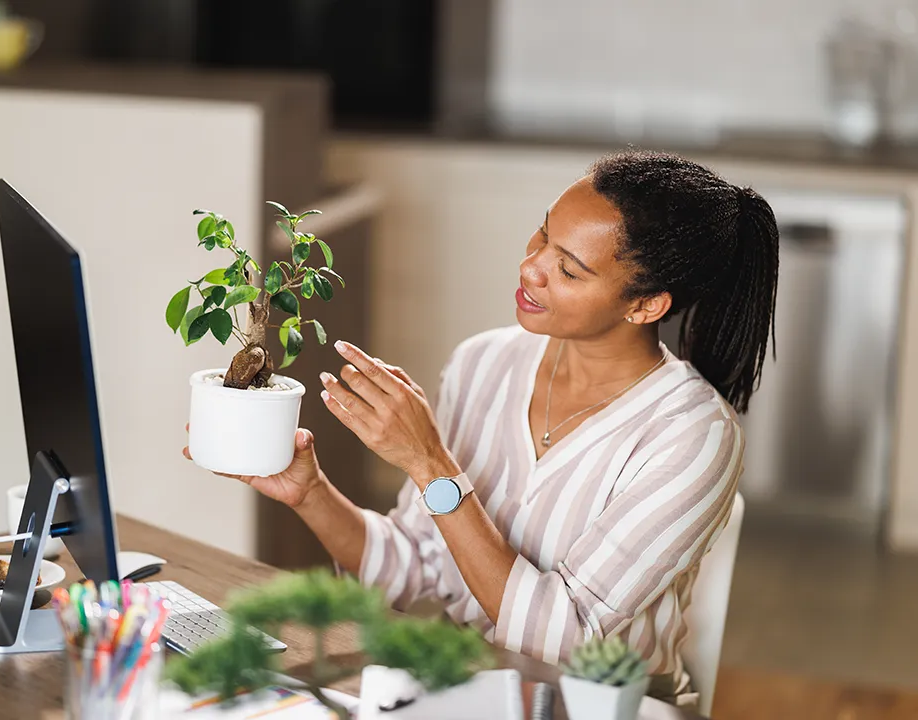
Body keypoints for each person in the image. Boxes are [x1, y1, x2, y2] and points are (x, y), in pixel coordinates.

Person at [184, 150, 778, 706]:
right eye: (543, 234)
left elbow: (564, 640)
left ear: (644, 307)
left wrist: (431, 466)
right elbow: (410, 572)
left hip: (596, 706)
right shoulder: (483, 362)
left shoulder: (694, 434)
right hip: (464, 685)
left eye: (568, 270)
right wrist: (310, 493)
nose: (532, 266)